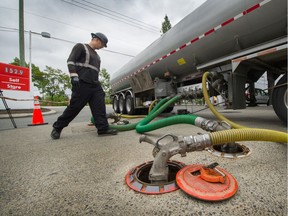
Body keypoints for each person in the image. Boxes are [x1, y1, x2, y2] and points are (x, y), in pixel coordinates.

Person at [51, 32, 117, 139]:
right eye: (102, 45)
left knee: (99, 107)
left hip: (95, 85)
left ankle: (103, 129)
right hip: (82, 83)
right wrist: (73, 76)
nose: (101, 47)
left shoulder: (97, 56)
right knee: (74, 108)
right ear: (97, 40)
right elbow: (70, 61)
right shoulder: (80, 47)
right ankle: (57, 128)